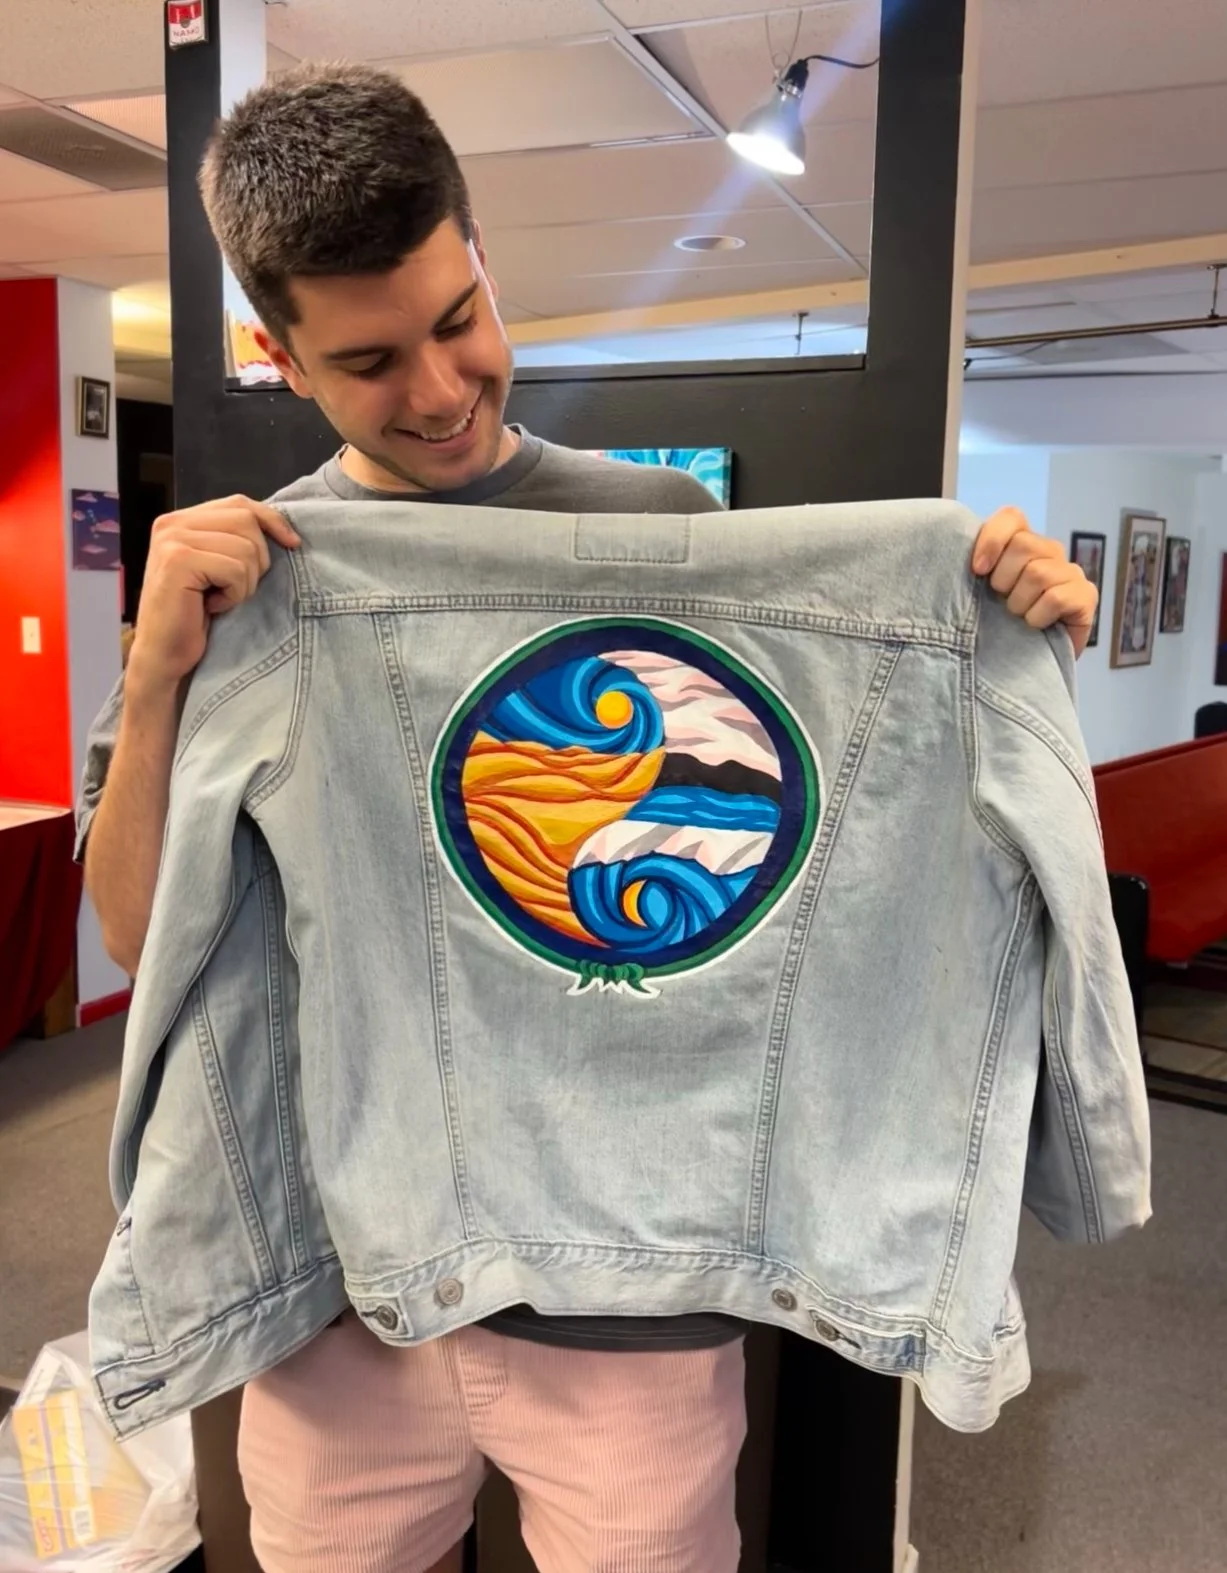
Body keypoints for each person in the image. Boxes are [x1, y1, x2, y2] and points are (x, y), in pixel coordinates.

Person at [79, 62, 1100, 1573]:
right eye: (367, 363)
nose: (435, 391)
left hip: (631, 1286)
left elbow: (799, 846)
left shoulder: (664, 533)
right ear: (279, 357)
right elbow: (132, 934)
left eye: (455, 321)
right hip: (349, 1278)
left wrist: (1002, 628)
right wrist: (158, 676)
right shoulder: (256, 584)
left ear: (481, 259)